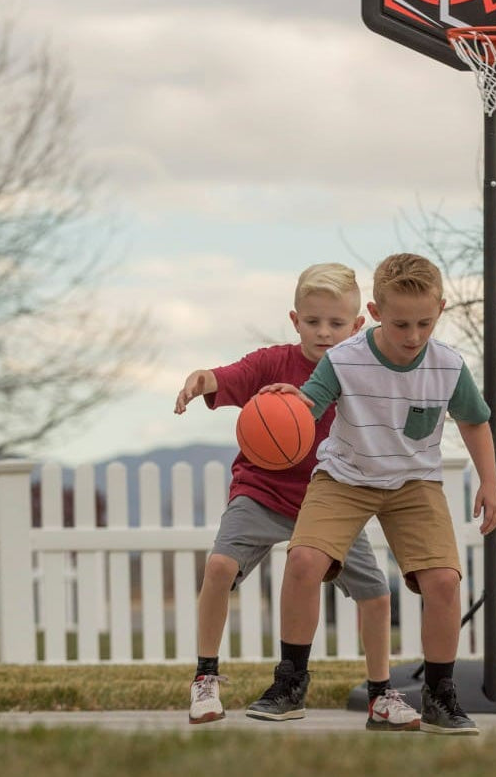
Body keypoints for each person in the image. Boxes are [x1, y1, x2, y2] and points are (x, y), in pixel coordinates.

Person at [251, 252, 496, 735]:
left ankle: (440, 696)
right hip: (345, 476)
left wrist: (489, 484)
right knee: (302, 560)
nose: (413, 336)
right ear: (377, 311)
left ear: (441, 309)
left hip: (413, 483)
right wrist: (290, 403)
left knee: (445, 581)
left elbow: (474, 420)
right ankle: (289, 685)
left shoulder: (448, 366)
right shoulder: (345, 359)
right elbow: (309, 404)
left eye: (424, 323)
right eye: (401, 323)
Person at [173, 262, 420, 731]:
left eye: (336, 323)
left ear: (357, 325)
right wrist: (198, 380)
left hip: (330, 500)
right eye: (313, 322)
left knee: (375, 594)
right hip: (262, 490)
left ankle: (381, 694)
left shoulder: (359, 373)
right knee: (219, 567)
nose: (324, 332)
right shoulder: (273, 363)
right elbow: (223, 376)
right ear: (295, 320)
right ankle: (205, 678)